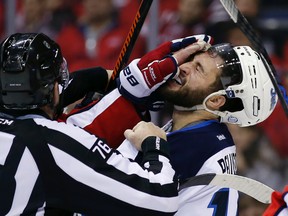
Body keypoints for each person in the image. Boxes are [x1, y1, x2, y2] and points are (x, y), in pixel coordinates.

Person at [64, 33, 278, 215]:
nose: (183, 67)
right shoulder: (207, 137)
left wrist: (125, 96)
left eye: (198, 69)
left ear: (215, 101)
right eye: (192, 60)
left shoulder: (193, 146)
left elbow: (88, 190)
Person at [0, 33, 179, 215]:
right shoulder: (56, 143)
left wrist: (95, 78)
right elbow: (161, 199)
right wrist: (154, 144)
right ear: (53, 88)